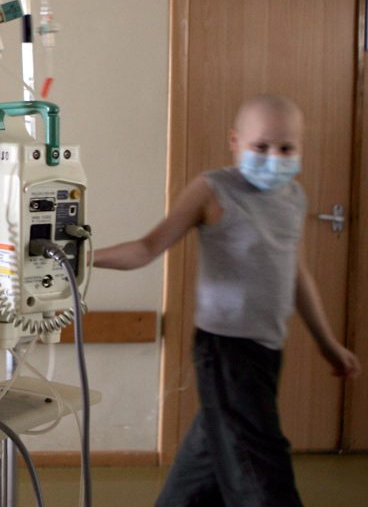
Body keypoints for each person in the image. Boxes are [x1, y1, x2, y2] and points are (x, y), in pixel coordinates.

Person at [94, 93, 361, 507]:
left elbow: (297, 275)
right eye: (261, 147)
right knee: (262, 478)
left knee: (206, 466)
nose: (274, 157)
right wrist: (79, 260)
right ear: (235, 142)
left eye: (286, 148)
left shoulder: (293, 198)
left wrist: (329, 345)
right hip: (225, 353)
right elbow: (147, 248)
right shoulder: (212, 190)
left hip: (267, 351)